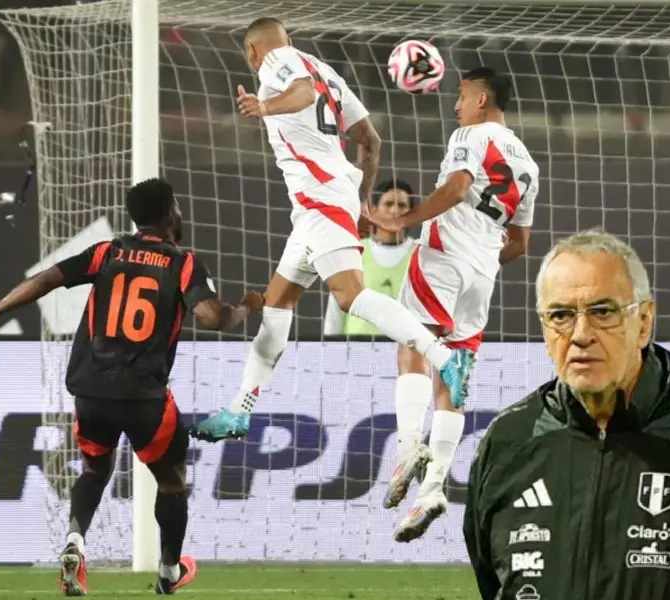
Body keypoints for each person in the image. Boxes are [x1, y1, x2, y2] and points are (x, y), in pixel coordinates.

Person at [0, 178, 263, 595]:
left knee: (94, 471)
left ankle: (74, 542)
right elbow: (212, 317)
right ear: (171, 212)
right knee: (171, 480)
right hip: (145, 399)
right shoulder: (183, 262)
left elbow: (45, 280)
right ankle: (170, 572)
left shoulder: (109, 251)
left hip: (92, 391)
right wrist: (246, 307)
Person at [462, 229, 670, 599]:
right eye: (560, 315)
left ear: (643, 323)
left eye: (602, 312)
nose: (580, 334)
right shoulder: (508, 441)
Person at [193, 17, 471, 442]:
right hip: (320, 203)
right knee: (276, 306)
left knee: (350, 296)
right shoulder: (328, 73)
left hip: (320, 198)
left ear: (252, 51)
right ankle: (239, 411)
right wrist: (359, 200)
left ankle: (444, 357)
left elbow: (301, 93)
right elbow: (370, 140)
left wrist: (265, 107)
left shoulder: (277, 61)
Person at [365, 67, 537, 542]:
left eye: (462, 96)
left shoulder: (471, 134)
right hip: (483, 274)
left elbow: (457, 186)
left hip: (443, 254)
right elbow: (520, 243)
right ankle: (434, 488)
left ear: (482, 99)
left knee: (411, 344)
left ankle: (405, 451)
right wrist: (481, 260)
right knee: (453, 373)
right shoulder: (527, 166)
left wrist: (407, 221)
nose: (456, 105)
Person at [322, 179, 416, 335]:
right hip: (356, 349)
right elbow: (335, 309)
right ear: (373, 211)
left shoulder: (419, 255)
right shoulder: (354, 251)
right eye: (388, 204)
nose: (395, 211)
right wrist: (331, 347)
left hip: (405, 350)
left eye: (402, 205)